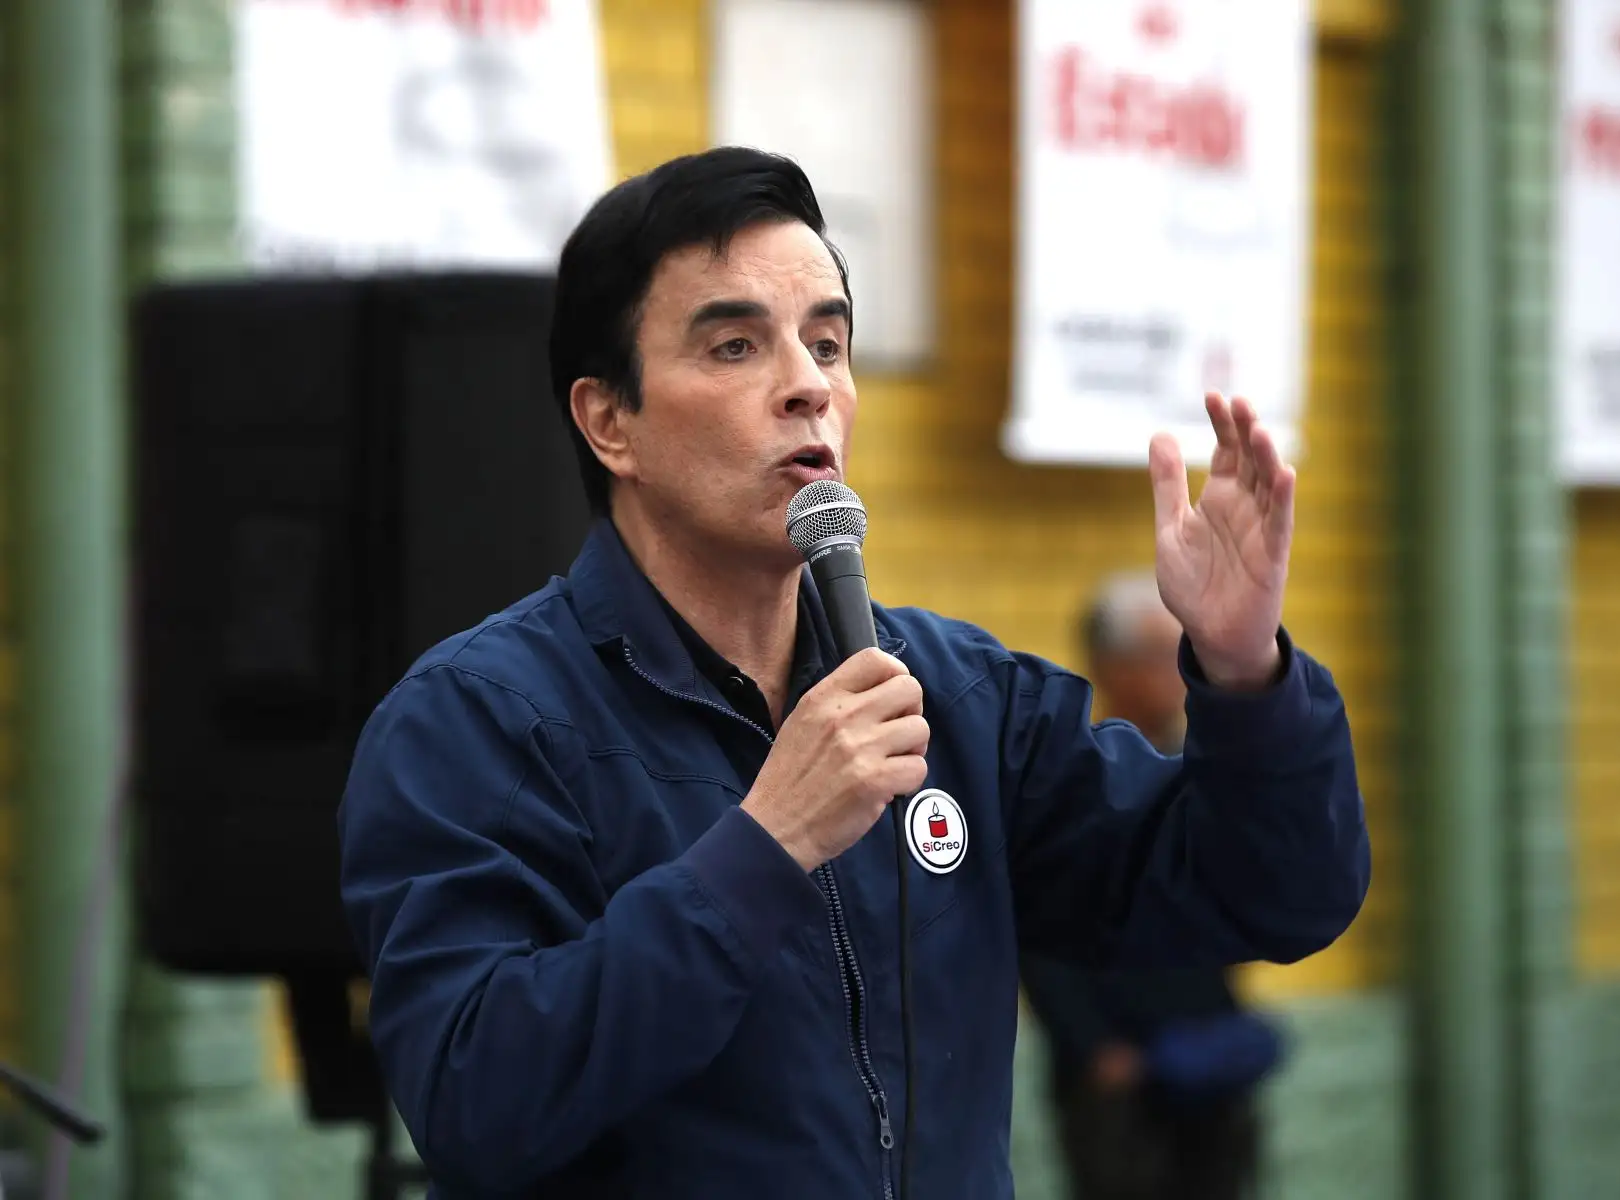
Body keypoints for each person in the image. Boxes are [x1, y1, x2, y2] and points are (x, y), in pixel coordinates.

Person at [336, 146, 1370, 1199]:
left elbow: (1281, 897)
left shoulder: (962, 699)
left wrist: (1246, 676)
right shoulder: (478, 723)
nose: (807, 387)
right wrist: (764, 849)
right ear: (610, 422)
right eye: (735, 346)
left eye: (827, 343)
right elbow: (475, 1101)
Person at [1020, 570, 1286, 1200]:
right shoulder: (1067, 779)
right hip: (1118, 1077)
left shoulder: (1202, 769)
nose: (1182, 672)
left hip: (1206, 1062)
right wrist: (1095, 1049)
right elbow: (1036, 931)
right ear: (1110, 667)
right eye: (1164, 655)